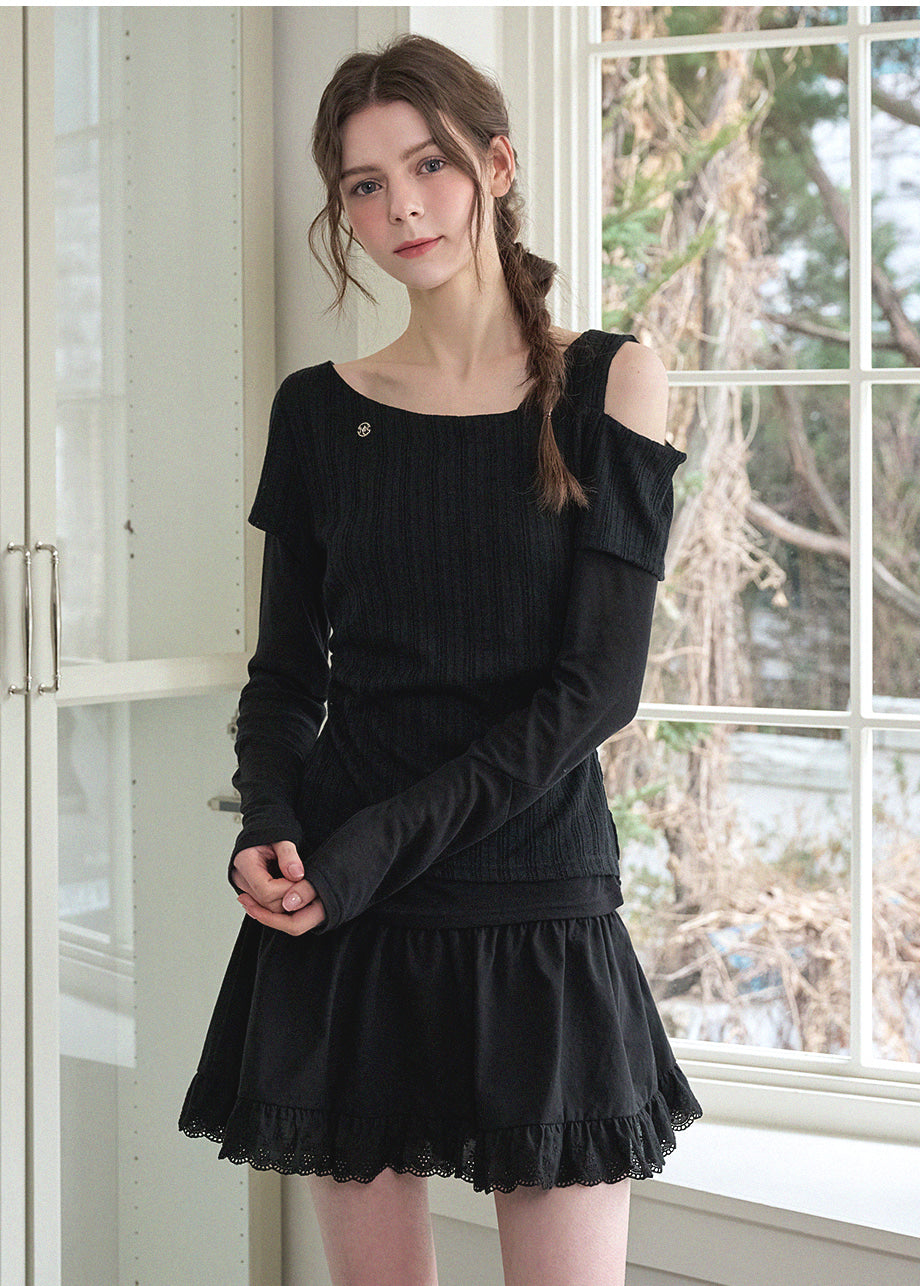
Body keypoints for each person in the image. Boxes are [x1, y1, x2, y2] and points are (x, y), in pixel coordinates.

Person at [180, 32, 701, 1286]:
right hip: (346, 913)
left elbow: (594, 690)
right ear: (343, 209)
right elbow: (285, 676)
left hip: (531, 901)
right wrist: (269, 819)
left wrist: (369, 846)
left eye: (429, 165)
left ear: (495, 165)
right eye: (364, 183)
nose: (402, 206)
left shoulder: (608, 382)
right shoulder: (318, 409)